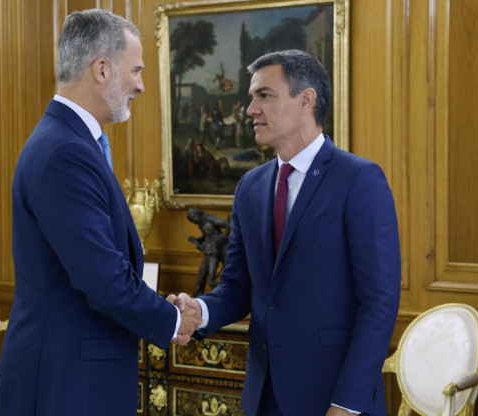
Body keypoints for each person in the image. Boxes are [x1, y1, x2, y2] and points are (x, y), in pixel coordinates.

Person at [0, 10, 201, 415]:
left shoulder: (71, 142)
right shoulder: (66, 151)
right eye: (135, 70)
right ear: (101, 69)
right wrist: (173, 321)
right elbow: (103, 279)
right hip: (63, 385)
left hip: (73, 378)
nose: (140, 85)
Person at [168, 50, 401, 416]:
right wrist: (199, 311)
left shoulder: (359, 180)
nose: (250, 110)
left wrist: (347, 403)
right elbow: (239, 287)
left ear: (306, 100)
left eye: (264, 95)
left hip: (335, 398)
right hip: (264, 397)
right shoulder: (250, 186)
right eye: (251, 98)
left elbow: (379, 303)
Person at [186, 208, 231, 296]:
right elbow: (207, 236)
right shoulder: (201, 224)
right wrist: (197, 240)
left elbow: (227, 224)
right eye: (191, 219)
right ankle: (196, 300)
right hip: (209, 251)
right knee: (200, 278)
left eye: (193, 217)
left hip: (216, 251)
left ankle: (225, 294)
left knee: (211, 281)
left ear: (197, 213)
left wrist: (221, 238)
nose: (194, 220)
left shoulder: (209, 218)